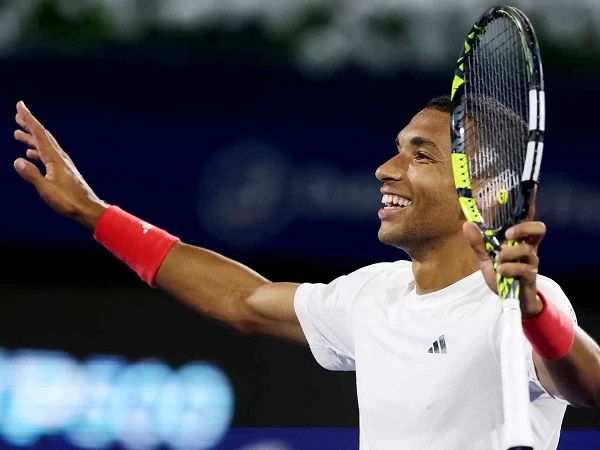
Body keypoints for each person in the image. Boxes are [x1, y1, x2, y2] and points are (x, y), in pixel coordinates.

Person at [12, 96, 600, 450]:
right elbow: (243, 300)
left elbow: (589, 385)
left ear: (488, 191)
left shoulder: (520, 302)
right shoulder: (371, 295)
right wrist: (93, 212)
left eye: (421, 155)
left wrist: (532, 310)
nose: (386, 168)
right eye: (398, 148)